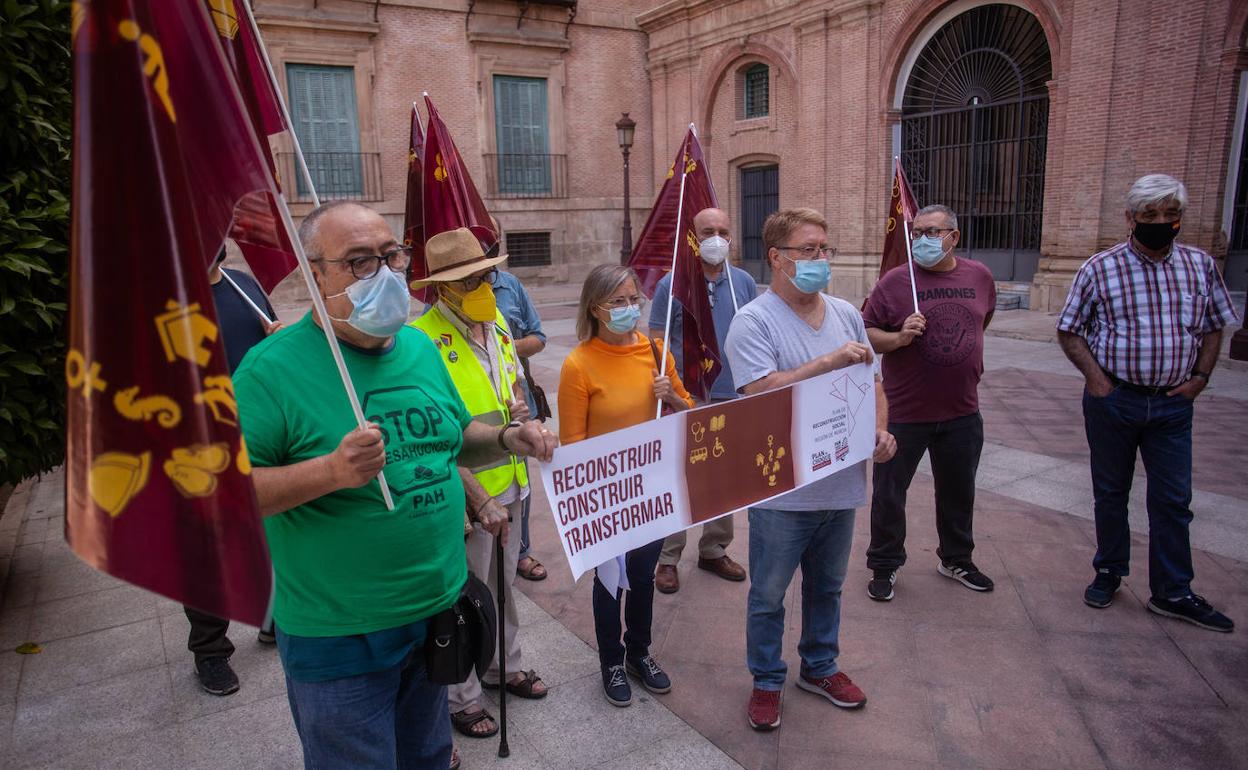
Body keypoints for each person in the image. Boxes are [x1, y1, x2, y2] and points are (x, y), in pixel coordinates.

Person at [233, 201, 557, 768]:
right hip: (341, 637)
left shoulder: (417, 349)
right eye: (359, 263)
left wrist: (508, 439)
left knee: (428, 757)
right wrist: (330, 471)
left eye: (390, 257)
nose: (383, 275)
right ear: (315, 275)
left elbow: (453, 438)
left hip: (435, 614)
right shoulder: (268, 371)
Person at [723, 207, 896, 731]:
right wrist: (824, 364)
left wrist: (880, 433)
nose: (822, 259)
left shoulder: (845, 313)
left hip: (841, 484)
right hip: (782, 490)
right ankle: (767, 679)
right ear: (777, 258)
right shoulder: (753, 321)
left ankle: (819, 666)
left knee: (828, 586)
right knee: (769, 593)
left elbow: (874, 384)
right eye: (809, 250)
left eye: (825, 249)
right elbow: (756, 395)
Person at [1056, 174, 1237, 633]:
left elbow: (1215, 324)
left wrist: (1200, 377)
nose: (1161, 223)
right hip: (1115, 400)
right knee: (1111, 492)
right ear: (1131, 218)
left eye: (1170, 215)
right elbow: (1070, 328)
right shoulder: (1100, 268)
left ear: (1180, 217)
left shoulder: (1200, 265)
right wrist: (1097, 381)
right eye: (1150, 215)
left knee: (1174, 499)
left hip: (1174, 405)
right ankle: (1109, 570)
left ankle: (1173, 591)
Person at [410, 227, 550, 740]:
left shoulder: (497, 327)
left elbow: (512, 389)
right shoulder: (422, 341)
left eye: (486, 274)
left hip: (512, 483)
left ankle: (502, 666)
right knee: (467, 597)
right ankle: (461, 696)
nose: (483, 286)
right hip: (470, 495)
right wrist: (478, 498)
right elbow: (438, 437)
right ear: (442, 288)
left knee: (504, 588)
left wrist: (520, 412)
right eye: (469, 279)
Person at [558, 264, 693, 707]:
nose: (629, 308)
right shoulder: (579, 363)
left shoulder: (656, 353)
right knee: (610, 581)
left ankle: (639, 652)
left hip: (651, 489)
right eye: (617, 301)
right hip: (605, 494)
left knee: (642, 575)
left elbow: (689, 410)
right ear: (595, 308)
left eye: (634, 298)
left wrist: (671, 396)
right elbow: (572, 443)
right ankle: (611, 661)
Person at [861, 204, 997, 601]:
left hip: (962, 411)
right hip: (905, 412)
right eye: (916, 232)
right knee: (889, 493)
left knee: (959, 491)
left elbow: (980, 320)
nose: (922, 240)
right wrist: (900, 337)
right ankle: (884, 565)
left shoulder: (980, 277)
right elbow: (868, 333)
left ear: (954, 237)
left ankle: (956, 558)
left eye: (932, 233)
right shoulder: (895, 282)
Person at [185, 247, 282, 697]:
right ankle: (210, 651)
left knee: (269, 534)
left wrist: (278, 338)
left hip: (257, 435)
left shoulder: (245, 286)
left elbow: (271, 350)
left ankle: (271, 619)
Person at [648, 207, 757, 593]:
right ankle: (668, 557)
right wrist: (672, 390)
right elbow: (658, 339)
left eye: (724, 231)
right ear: (693, 236)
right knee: (680, 475)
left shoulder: (743, 280)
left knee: (723, 477)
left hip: (732, 393)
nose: (717, 238)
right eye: (708, 230)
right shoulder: (671, 285)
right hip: (687, 397)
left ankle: (714, 548)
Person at [489, 219, 550, 583]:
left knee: (520, 476)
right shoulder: (443, 294)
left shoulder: (511, 286)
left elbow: (538, 336)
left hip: (516, 398)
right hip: (473, 402)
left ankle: (522, 551)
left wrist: (501, 347)